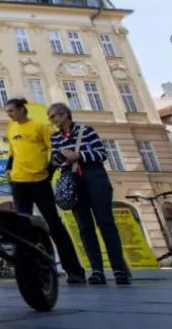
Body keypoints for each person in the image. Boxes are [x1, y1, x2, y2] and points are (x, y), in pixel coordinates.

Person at [4, 97, 87, 285]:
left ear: (22, 110)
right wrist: (8, 168)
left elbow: (56, 150)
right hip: (19, 183)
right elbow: (12, 153)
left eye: (11, 111)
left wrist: (49, 171)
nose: (9, 114)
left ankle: (74, 271)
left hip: (40, 182)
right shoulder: (11, 127)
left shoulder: (40, 127)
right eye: (7, 112)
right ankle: (32, 273)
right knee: (23, 229)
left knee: (54, 225)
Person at [47, 102, 131, 285]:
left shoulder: (86, 130)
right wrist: (61, 158)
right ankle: (97, 270)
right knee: (84, 227)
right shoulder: (55, 138)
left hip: (94, 175)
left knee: (105, 223)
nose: (52, 120)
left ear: (64, 115)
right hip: (72, 179)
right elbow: (55, 160)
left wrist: (79, 156)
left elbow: (101, 153)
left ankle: (118, 269)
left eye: (53, 116)